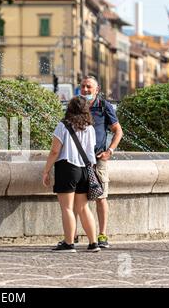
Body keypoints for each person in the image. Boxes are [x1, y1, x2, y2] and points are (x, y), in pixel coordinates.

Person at [42, 97, 101, 253]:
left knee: (67, 208)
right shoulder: (90, 128)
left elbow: (55, 151)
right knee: (83, 208)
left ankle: (69, 244)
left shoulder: (63, 126)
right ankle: (93, 243)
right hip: (85, 170)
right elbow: (91, 151)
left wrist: (46, 170)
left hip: (67, 168)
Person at [76, 76, 123, 248]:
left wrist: (109, 151)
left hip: (98, 158)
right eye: (83, 86)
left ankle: (102, 235)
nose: (85, 90)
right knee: (77, 198)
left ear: (97, 89)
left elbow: (118, 131)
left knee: (101, 197)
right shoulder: (77, 106)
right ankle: (72, 234)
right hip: (79, 159)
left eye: (89, 87)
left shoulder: (104, 106)